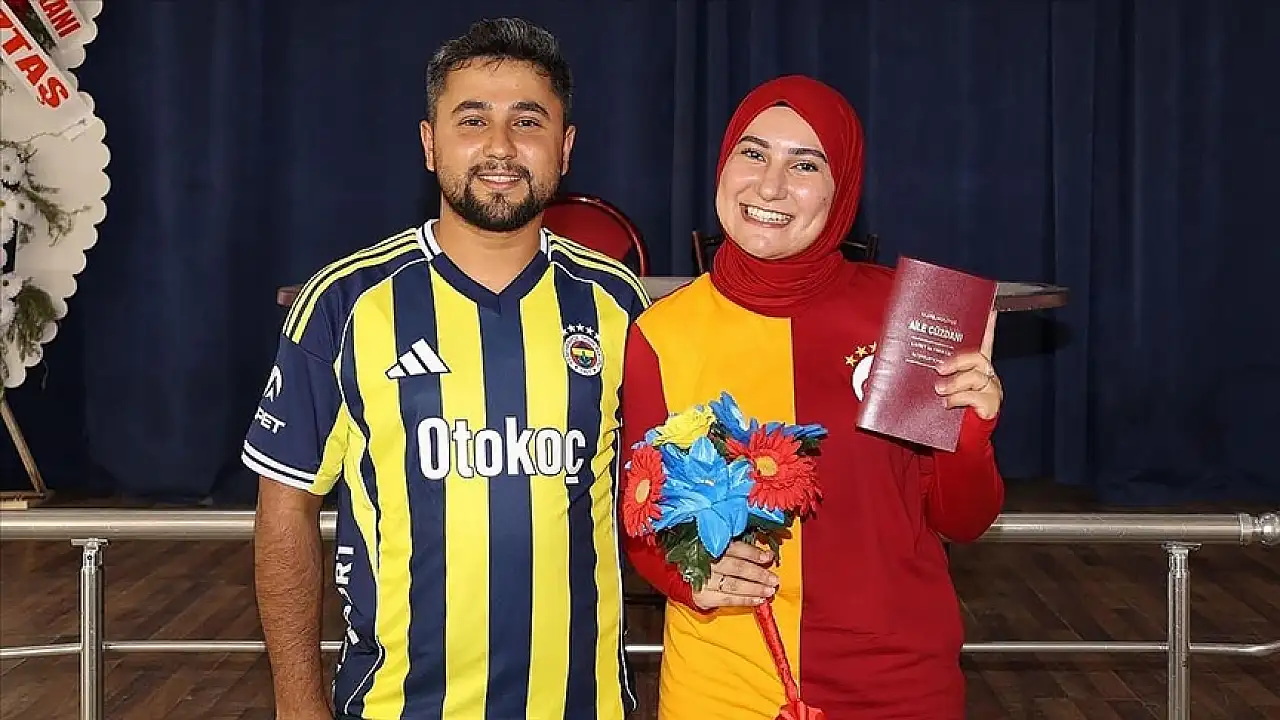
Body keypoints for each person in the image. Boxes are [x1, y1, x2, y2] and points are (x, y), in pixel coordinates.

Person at [246, 18, 646, 720]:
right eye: (473, 120)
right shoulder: (345, 303)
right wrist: (298, 704)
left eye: (528, 121)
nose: (501, 146)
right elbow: (286, 510)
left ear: (566, 147)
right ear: (430, 143)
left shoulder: (618, 304)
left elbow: (664, 493)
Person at [620, 75, 1005, 719]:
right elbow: (641, 526)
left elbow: (964, 521)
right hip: (723, 688)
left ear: (843, 186)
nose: (770, 186)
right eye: (753, 153)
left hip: (896, 683)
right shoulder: (660, 333)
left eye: (805, 164)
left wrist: (971, 434)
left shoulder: (909, 314)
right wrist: (687, 576)